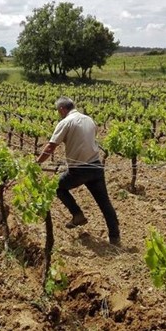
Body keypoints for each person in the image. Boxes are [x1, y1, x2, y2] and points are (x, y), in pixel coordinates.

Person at [36, 96, 121, 246]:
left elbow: (50, 147)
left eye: (58, 111)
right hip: (95, 166)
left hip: (79, 170)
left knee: (56, 187)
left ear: (62, 109)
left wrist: (37, 162)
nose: (58, 113)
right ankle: (115, 237)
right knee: (104, 203)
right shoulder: (89, 119)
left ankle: (77, 215)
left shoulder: (65, 122)